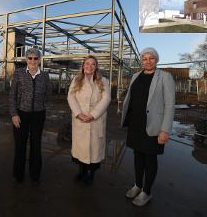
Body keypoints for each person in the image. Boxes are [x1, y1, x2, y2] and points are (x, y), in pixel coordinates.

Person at [120, 47, 175, 206]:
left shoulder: (165, 77)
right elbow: (131, 98)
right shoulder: (136, 76)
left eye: (151, 58)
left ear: (156, 60)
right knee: (138, 156)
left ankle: (147, 191)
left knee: (150, 159)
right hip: (136, 123)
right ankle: (138, 185)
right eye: (144, 58)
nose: (148, 61)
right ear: (141, 60)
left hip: (153, 125)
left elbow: (170, 105)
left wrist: (165, 129)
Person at [9, 47, 51, 184]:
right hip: (21, 114)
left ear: (39, 60)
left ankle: (35, 175)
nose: (33, 60)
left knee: (36, 144)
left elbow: (48, 94)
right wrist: (14, 114)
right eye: (30, 58)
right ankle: (18, 174)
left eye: (36, 58)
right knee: (20, 144)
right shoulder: (19, 73)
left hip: (38, 115)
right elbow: (12, 95)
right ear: (26, 59)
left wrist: (42, 106)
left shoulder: (45, 76)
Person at [67, 55, 111, 185]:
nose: (90, 66)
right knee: (81, 149)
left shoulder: (103, 81)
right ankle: (82, 172)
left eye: (93, 64)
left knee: (94, 150)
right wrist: (78, 113)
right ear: (83, 66)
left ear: (96, 67)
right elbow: (71, 97)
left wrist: (93, 114)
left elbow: (106, 99)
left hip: (95, 119)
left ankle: (91, 175)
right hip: (80, 119)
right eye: (87, 64)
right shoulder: (76, 80)